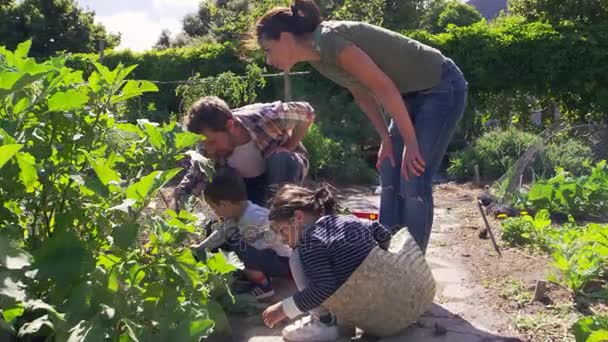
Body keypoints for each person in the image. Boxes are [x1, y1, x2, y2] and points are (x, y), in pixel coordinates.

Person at [252, 0, 468, 253]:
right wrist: (386, 139)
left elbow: (383, 86)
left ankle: (412, 260)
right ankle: (384, 252)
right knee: (389, 167)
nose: (268, 60)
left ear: (285, 38)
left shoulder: (328, 39)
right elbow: (361, 91)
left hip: (441, 87)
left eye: (268, 49)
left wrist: (410, 143)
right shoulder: (318, 59)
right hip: (408, 95)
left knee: (413, 175)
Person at [261, 184, 392, 341]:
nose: (282, 240)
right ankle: (342, 322)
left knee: (295, 257)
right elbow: (383, 233)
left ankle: (324, 322)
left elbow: (323, 287)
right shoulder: (347, 219)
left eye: (282, 231)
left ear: (298, 217)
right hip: (384, 296)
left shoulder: (311, 242)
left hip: (356, 306)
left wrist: (283, 308)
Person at [173, 96, 315, 209]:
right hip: (250, 184)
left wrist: (290, 145)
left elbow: (307, 112)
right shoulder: (207, 149)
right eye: (204, 144)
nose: (209, 149)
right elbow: (192, 183)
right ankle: (240, 225)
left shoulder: (265, 117)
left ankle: (283, 215)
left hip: (281, 172)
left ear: (230, 125)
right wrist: (174, 215)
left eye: (212, 142)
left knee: (280, 159)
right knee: (219, 178)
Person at [191, 167, 292, 299]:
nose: (216, 213)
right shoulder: (239, 214)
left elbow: (277, 239)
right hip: (272, 258)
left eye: (215, 208)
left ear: (225, 204)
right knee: (232, 239)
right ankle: (255, 274)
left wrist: (247, 241)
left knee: (239, 245)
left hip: (284, 263)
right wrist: (199, 249)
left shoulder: (254, 218)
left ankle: (263, 285)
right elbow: (222, 233)